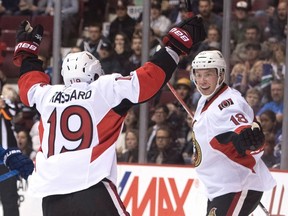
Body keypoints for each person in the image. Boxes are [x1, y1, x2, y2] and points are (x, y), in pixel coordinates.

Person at [13, 16, 206, 215]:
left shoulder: (47, 95)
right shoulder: (103, 89)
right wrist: (175, 45)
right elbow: (147, 80)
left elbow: (29, 85)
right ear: (95, 73)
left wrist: (27, 54)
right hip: (91, 186)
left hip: (52, 197)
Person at [190, 50, 276, 215]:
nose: (202, 81)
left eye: (208, 74)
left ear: (221, 74)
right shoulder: (205, 99)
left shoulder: (228, 103)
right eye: (198, 75)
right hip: (219, 186)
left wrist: (245, 139)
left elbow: (240, 128)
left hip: (236, 185)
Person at [0, 90, 34, 216]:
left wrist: (4, 104)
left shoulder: (6, 104)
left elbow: (15, 112)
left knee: (9, 200)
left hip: (5, 162)